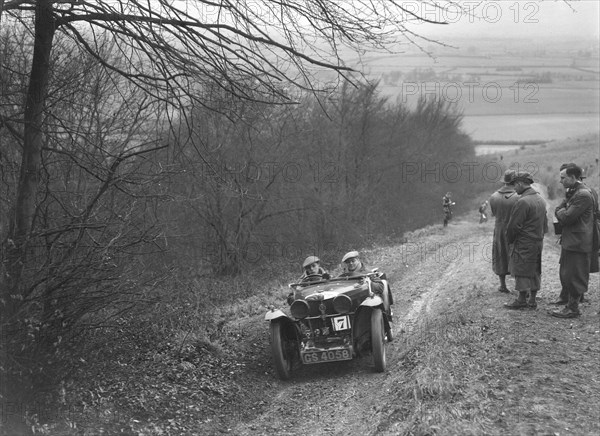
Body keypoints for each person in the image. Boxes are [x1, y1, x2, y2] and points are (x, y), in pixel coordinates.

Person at [550, 164, 596, 318]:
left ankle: (573, 308)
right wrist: (562, 209)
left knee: (575, 275)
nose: (560, 180)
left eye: (563, 178)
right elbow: (566, 211)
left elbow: (567, 217)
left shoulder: (582, 194)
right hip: (574, 240)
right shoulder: (575, 192)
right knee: (569, 273)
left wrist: (558, 210)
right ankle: (570, 305)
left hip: (578, 241)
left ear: (573, 177)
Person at [504, 171, 548, 310]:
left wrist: (509, 239)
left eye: (515, 185)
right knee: (535, 269)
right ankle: (533, 300)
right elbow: (545, 223)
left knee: (521, 268)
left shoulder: (522, 201)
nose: (514, 188)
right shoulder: (540, 199)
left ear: (521, 183)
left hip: (524, 241)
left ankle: (521, 299)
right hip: (537, 241)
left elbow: (513, 225)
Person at [488, 170, 518, 293]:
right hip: (514, 228)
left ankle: (503, 285)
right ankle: (519, 285)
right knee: (515, 254)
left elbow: (494, 213)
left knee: (500, 253)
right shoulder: (518, 197)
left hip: (499, 228)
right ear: (515, 181)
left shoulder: (494, 196)